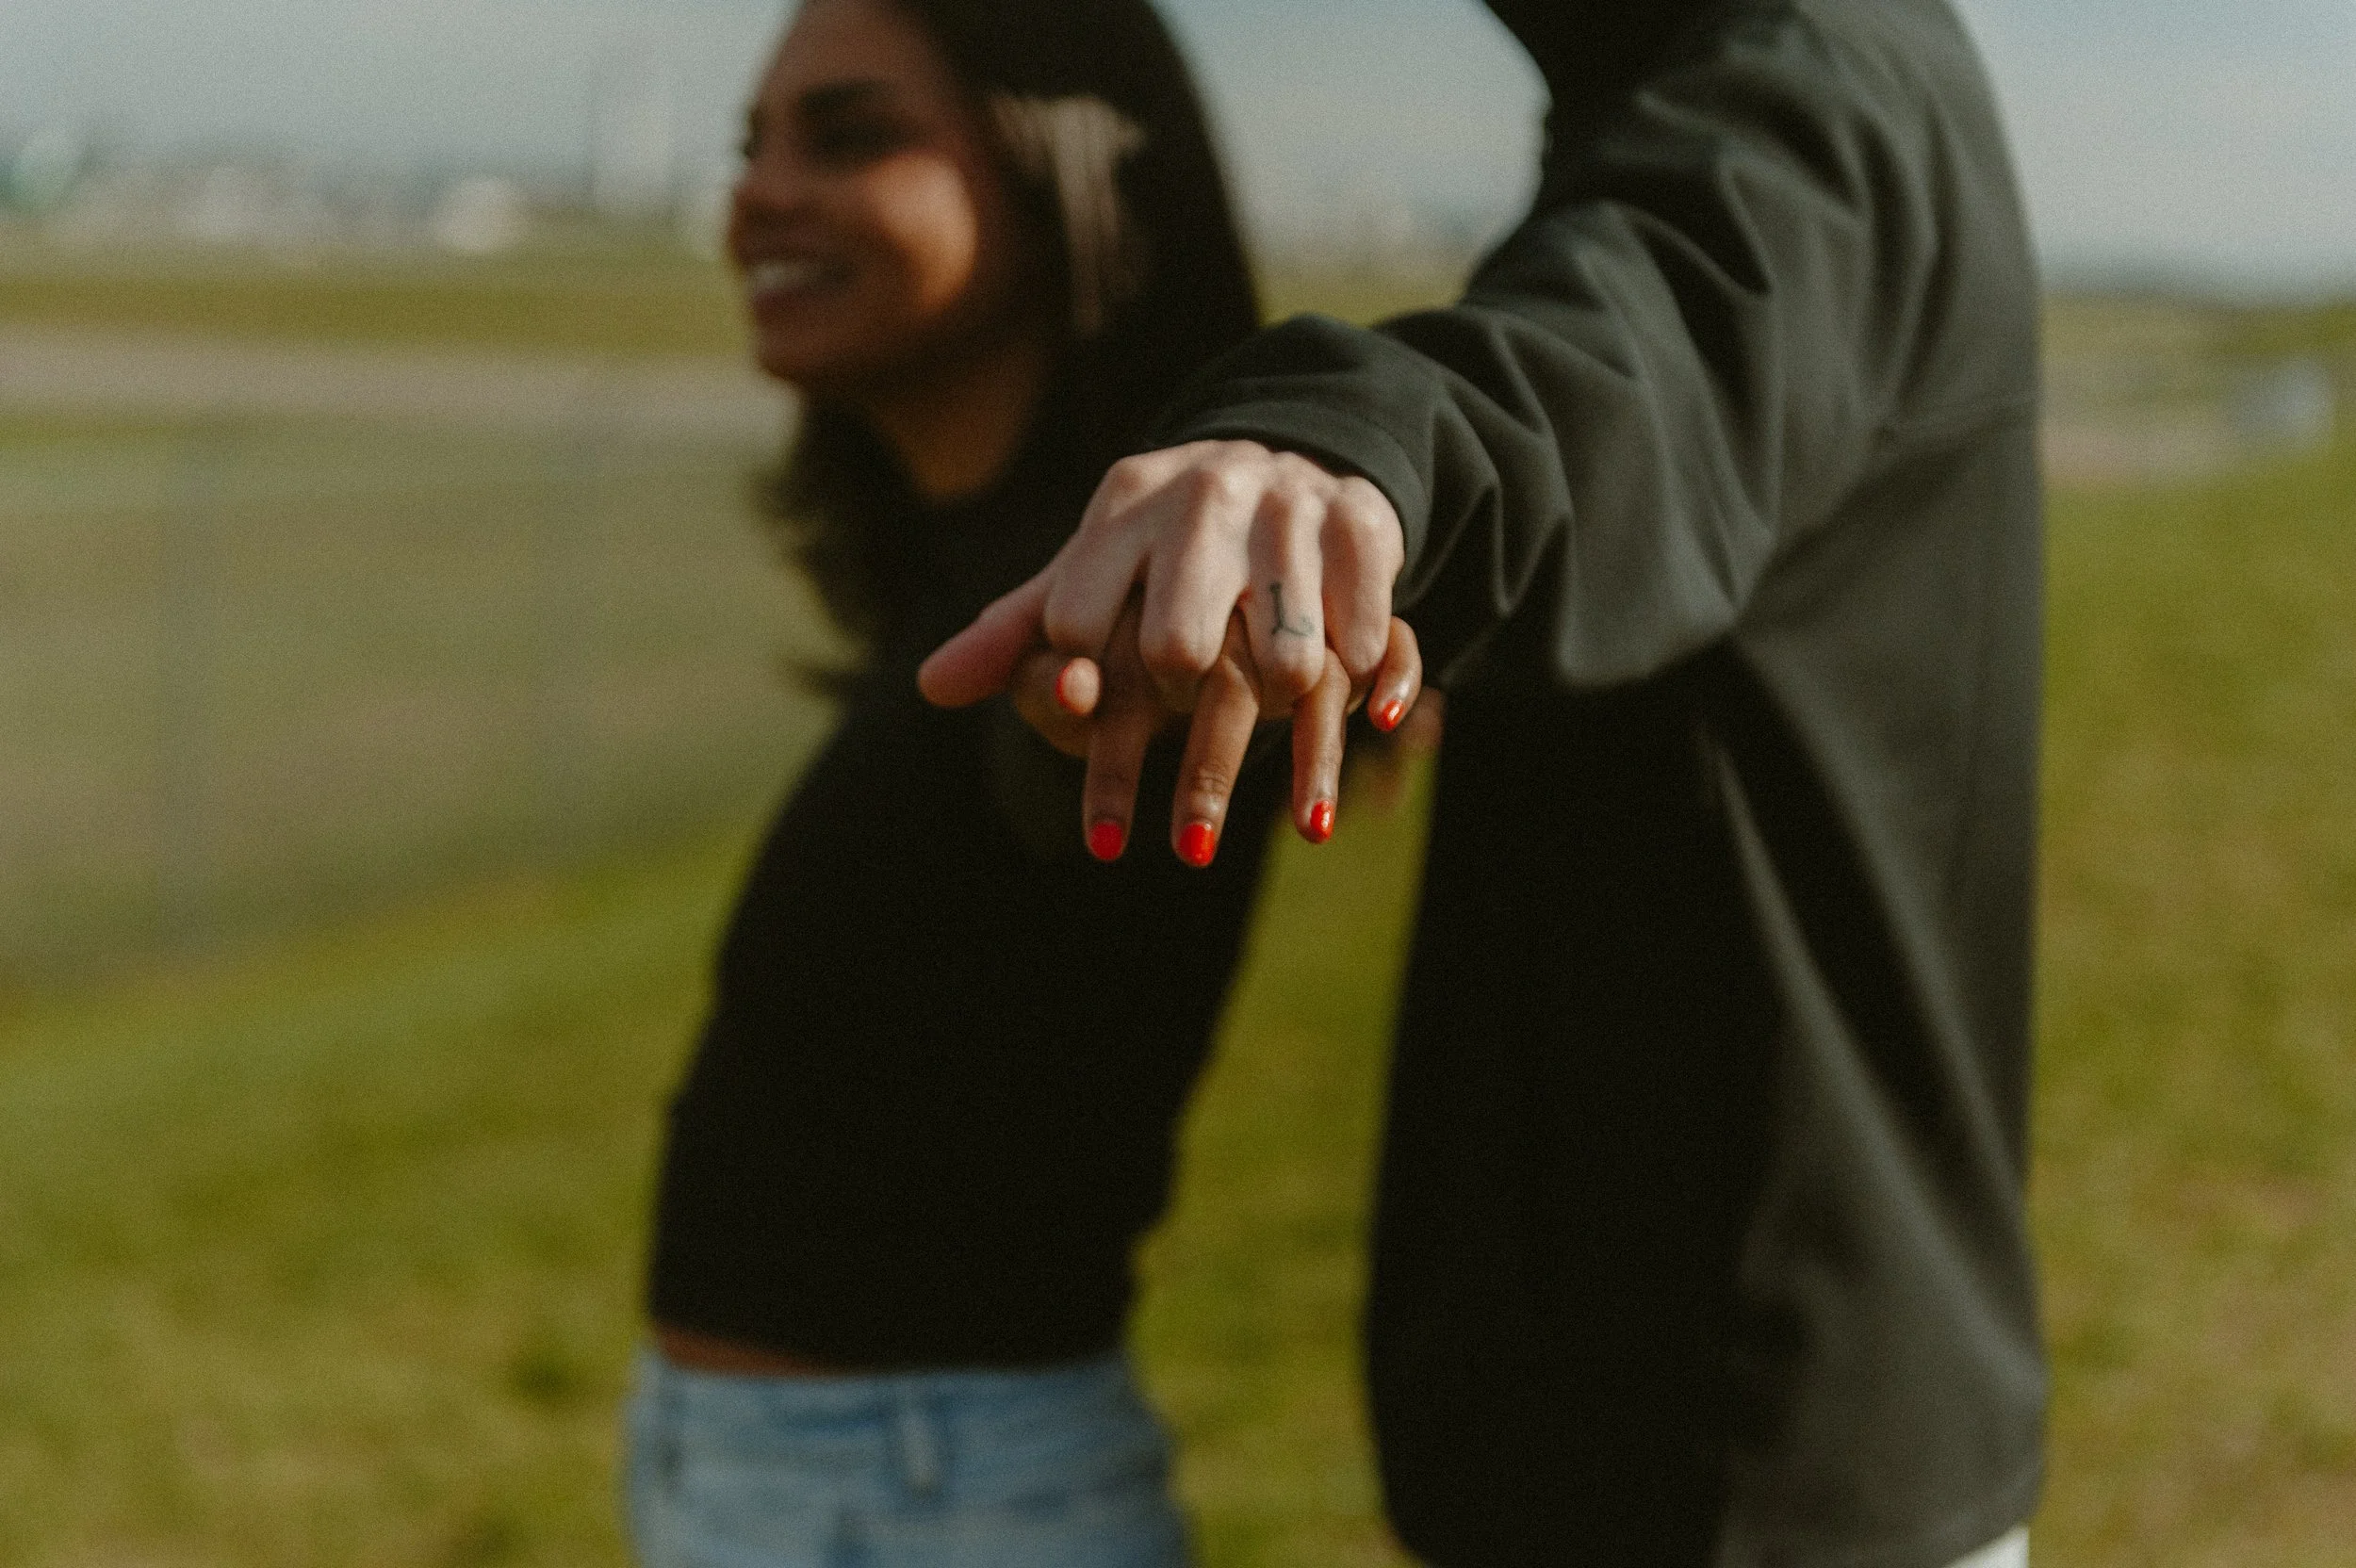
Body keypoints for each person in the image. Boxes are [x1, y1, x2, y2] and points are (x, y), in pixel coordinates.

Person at [925, 1, 2047, 1564]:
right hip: (1712, 1418)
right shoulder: (1697, 87)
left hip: (1729, 1463)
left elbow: (1626, 361)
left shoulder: (1808, 75)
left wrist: (1331, 454)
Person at [623, 1, 1418, 1564]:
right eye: (752, 145)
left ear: (1067, 176)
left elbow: (1067, 765)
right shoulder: (964, 566)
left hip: (926, 1499)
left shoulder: (1112, 610)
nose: (759, 194)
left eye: (851, 136)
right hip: (818, 1483)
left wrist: (1123, 675)